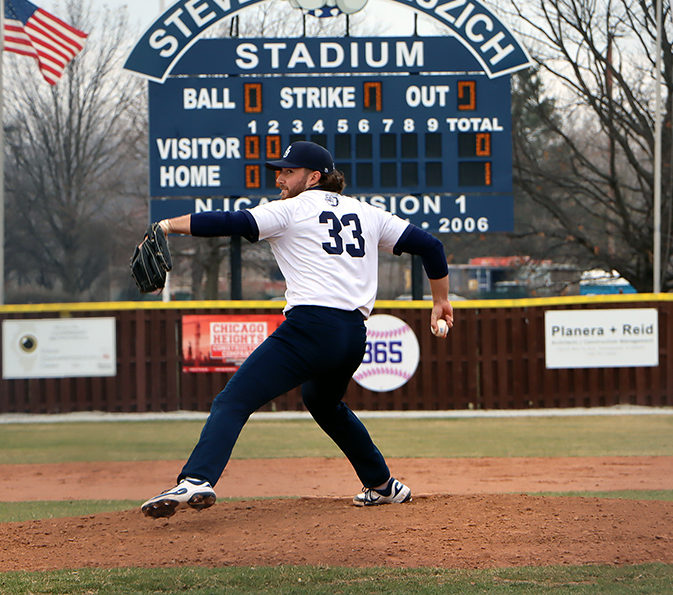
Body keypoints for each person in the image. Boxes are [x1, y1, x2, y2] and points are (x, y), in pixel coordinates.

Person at [140, 141, 453, 518]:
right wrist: (441, 300)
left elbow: (231, 222)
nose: (280, 178)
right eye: (280, 171)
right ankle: (383, 485)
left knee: (232, 401)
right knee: (324, 404)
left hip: (311, 328)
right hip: (353, 335)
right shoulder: (368, 213)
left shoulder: (291, 210)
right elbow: (431, 246)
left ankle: (196, 479)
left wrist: (167, 225)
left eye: (289, 171)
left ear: (314, 177)